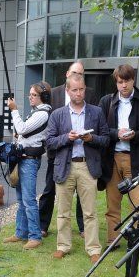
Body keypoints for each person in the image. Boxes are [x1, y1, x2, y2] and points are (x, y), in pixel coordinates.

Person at [44, 73, 109, 263]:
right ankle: (63, 246)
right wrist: (67, 137)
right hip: (65, 166)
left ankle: (93, 249)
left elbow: (105, 139)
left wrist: (91, 138)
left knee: (90, 212)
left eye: (81, 89)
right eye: (74, 90)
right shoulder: (57, 114)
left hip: (87, 167)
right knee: (63, 211)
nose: (79, 93)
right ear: (67, 90)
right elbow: (49, 142)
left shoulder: (96, 112)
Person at [98, 64, 139, 245]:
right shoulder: (107, 101)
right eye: (119, 82)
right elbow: (101, 129)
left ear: (133, 80)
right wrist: (116, 133)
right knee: (112, 203)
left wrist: (136, 134)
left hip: (136, 158)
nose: (123, 85)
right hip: (113, 158)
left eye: (127, 81)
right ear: (116, 82)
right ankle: (113, 240)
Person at [41, 61, 97, 237]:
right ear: (67, 74)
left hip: (83, 156)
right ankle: (43, 225)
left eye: (81, 74)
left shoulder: (91, 95)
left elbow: (96, 122)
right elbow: (50, 127)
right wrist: (66, 137)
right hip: (58, 154)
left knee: (83, 196)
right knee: (50, 190)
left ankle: (82, 228)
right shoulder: (55, 93)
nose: (77, 77)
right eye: (74, 73)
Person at [3, 81, 53, 249]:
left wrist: (14, 110)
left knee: (29, 200)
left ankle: (35, 236)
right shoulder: (35, 112)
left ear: (43, 97)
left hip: (30, 161)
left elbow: (22, 129)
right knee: (20, 199)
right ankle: (20, 232)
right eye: (30, 94)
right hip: (22, 159)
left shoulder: (43, 114)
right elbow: (23, 132)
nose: (30, 97)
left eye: (34, 95)